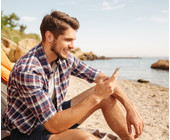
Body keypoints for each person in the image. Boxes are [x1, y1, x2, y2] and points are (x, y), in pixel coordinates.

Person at [2, 11, 144, 140]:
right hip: (27, 132)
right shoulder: (28, 71)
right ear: (49, 37)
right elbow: (53, 125)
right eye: (68, 40)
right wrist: (96, 97)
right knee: (85, 138)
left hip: (53, 113)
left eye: (73, 40)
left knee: (106, 96)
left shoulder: (65, 58)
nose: (72, 46)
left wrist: (130, 108)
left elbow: (104, 79)